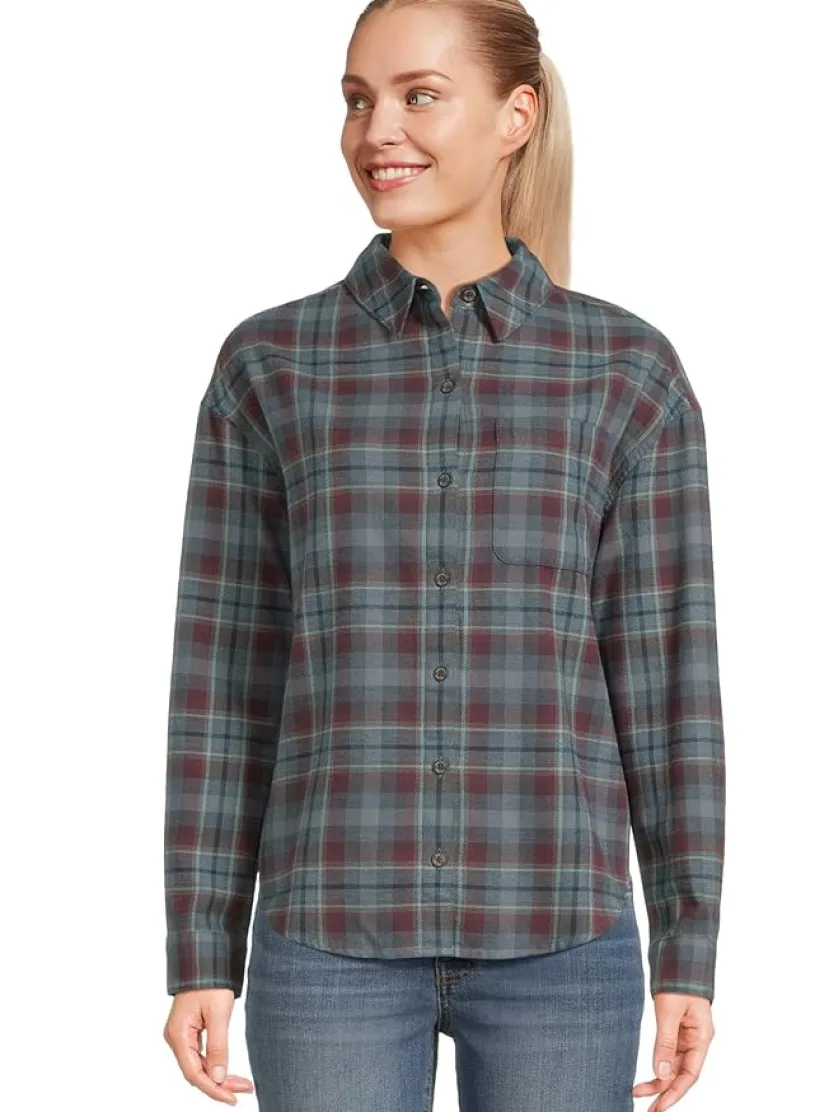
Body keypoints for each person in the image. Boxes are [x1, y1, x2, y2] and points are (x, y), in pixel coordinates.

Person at [161, 1, 725, 1109]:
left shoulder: (627, 371)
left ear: (517, 116)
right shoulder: (268, 365)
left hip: (563, 936)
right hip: (326, 937)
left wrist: (688, 947)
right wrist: (199, 944)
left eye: (419, 95)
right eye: (358, 99)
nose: (378, 129)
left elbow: (667, 681)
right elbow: (226, 679)